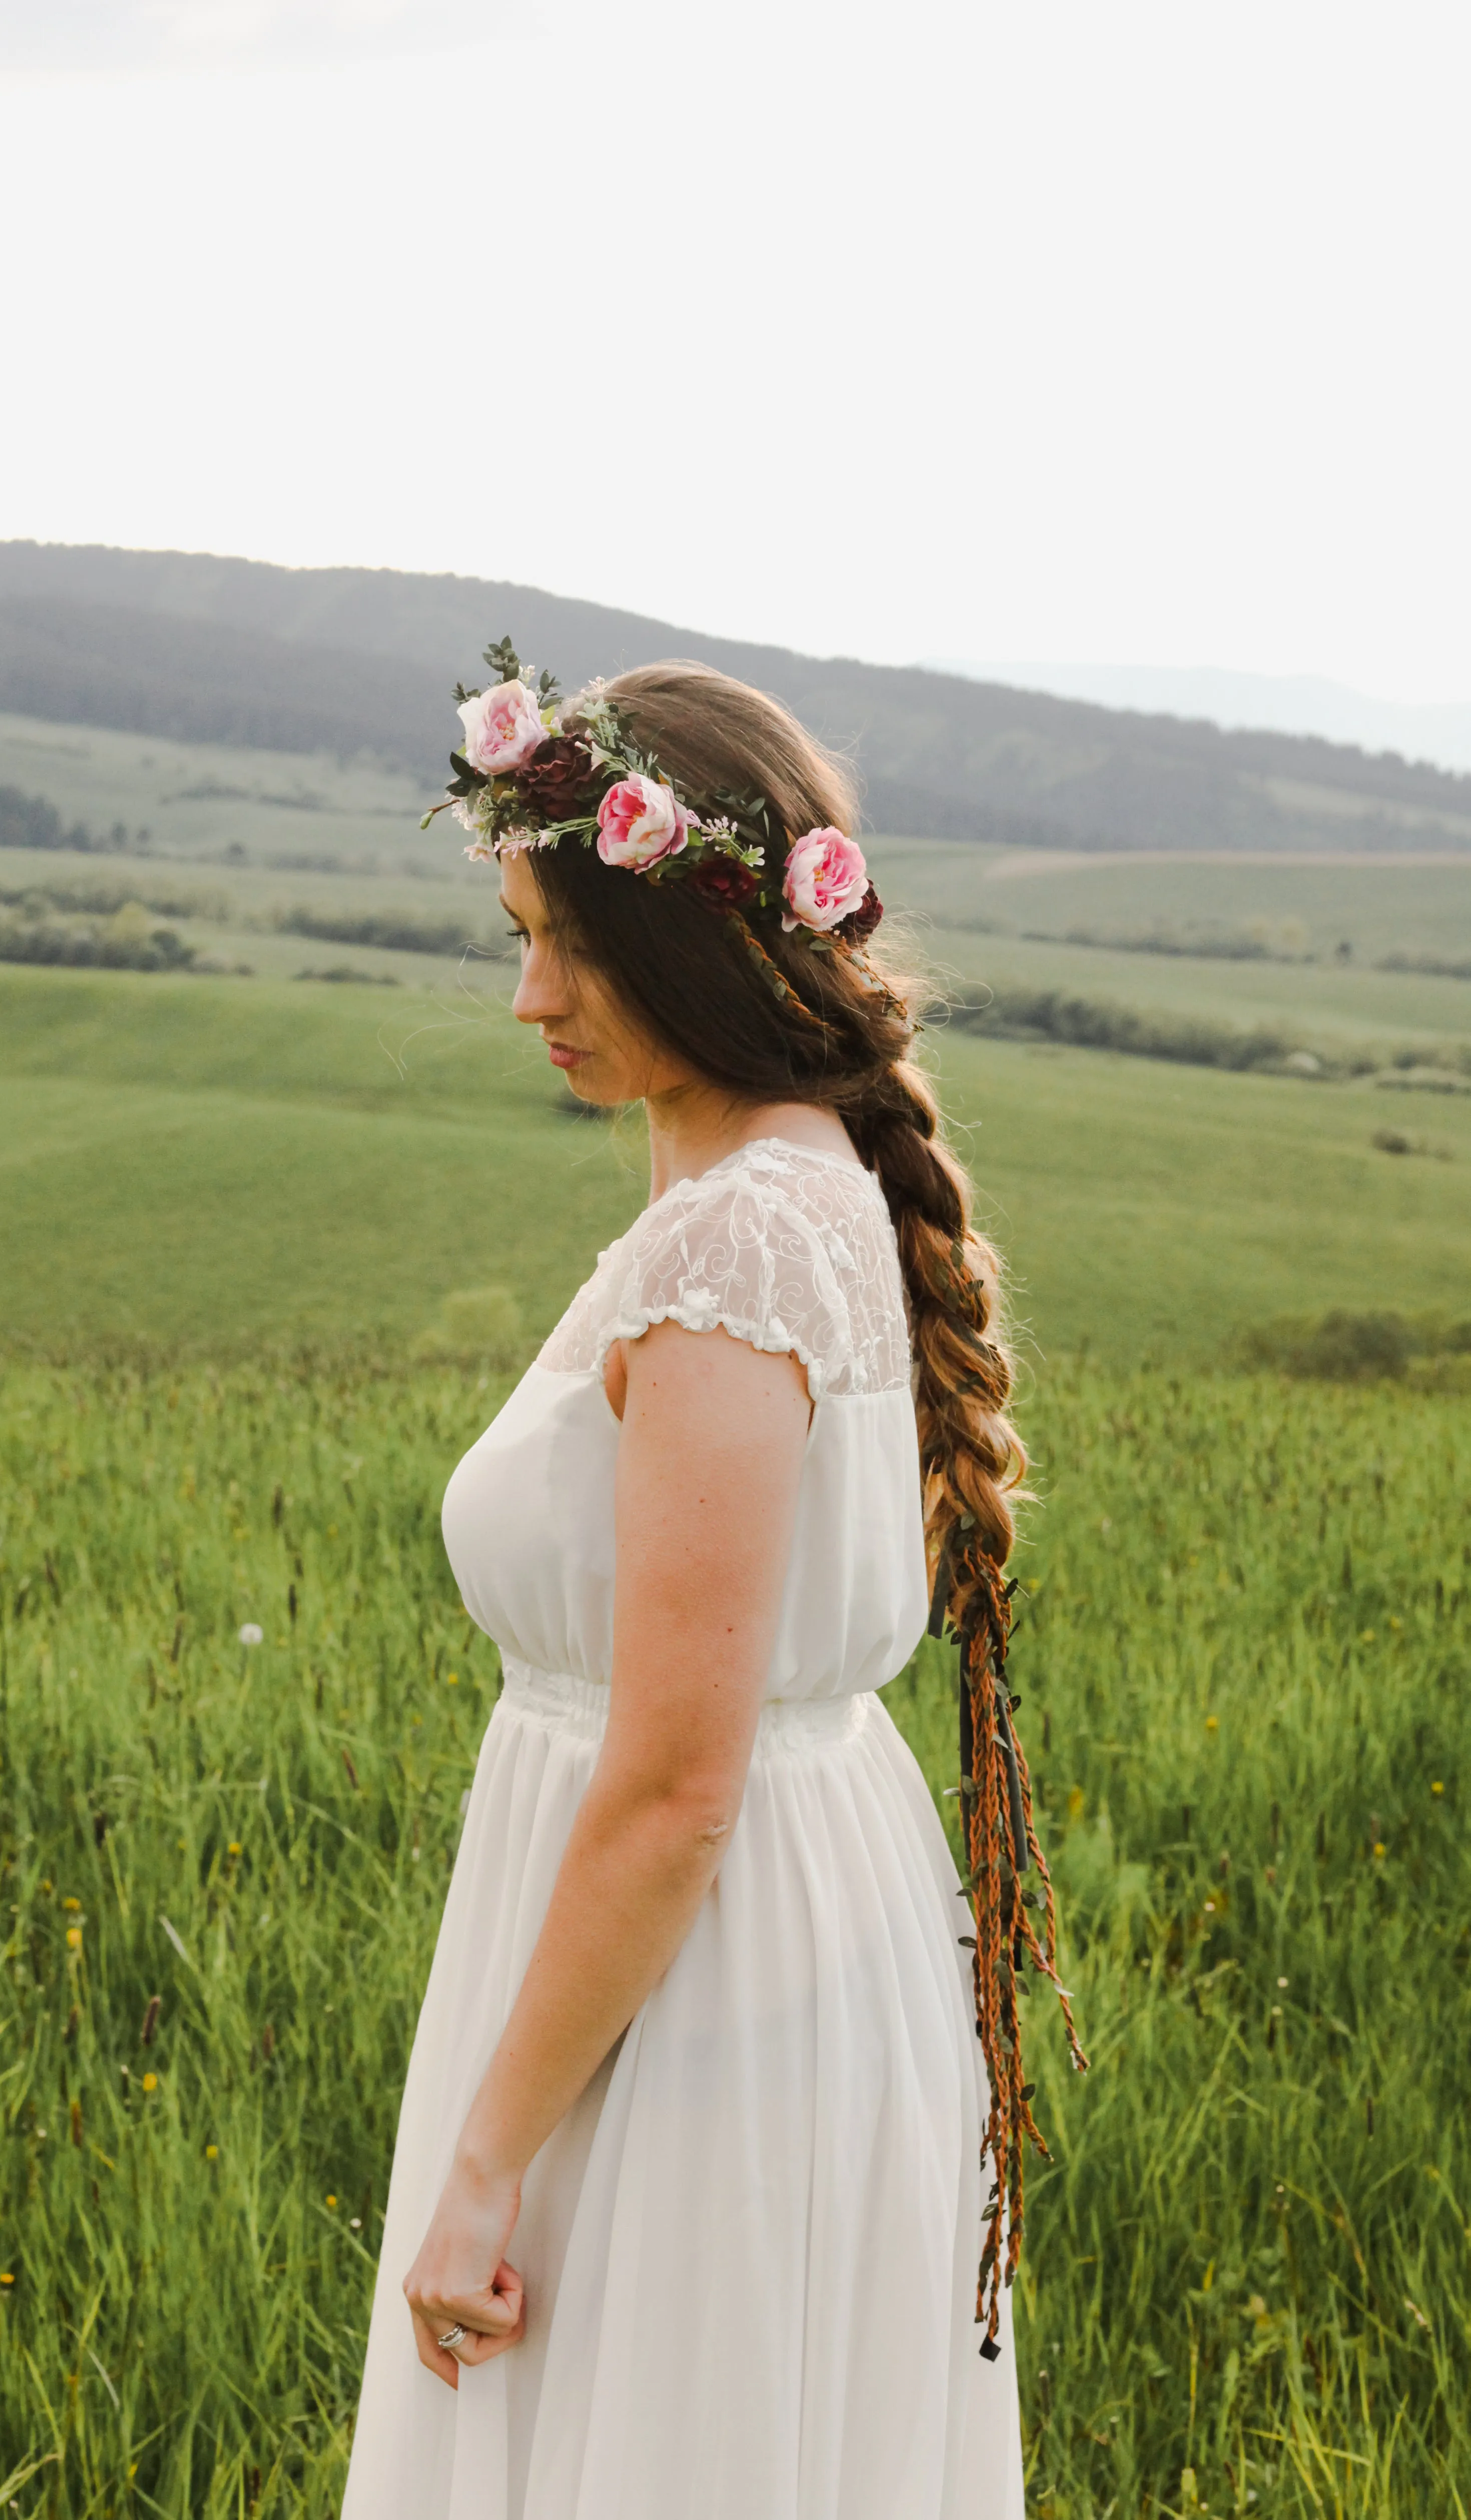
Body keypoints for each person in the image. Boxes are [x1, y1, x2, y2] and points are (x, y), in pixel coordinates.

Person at [342, 650, 1082, 2519]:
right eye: (514, 935)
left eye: (569, 950)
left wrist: (492, 2160)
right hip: (760, 1961)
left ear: (688, 949)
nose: (528, 1000)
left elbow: (676, 1795)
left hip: (689, 2004)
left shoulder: (741, 1246)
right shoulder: (782, 1187)